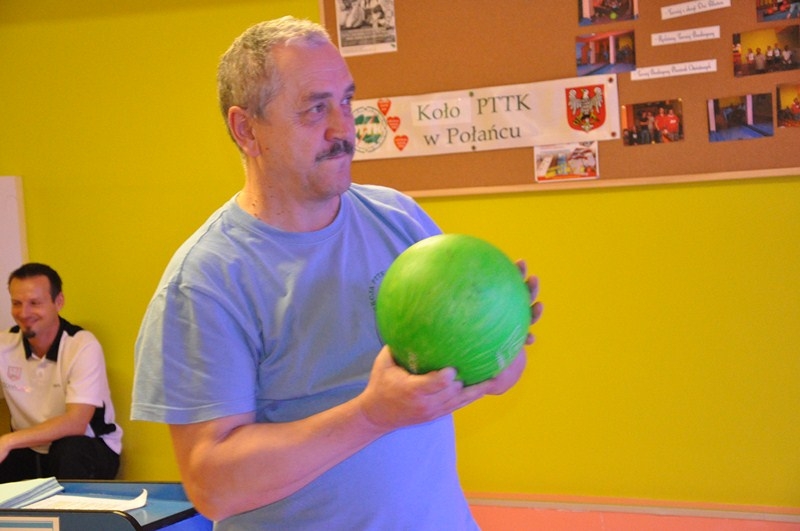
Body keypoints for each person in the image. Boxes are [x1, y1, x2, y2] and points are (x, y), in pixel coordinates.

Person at [132, 16, 542, 530]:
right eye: (315, 109)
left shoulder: (398, 218)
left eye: (346, 101)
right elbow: (213, 486)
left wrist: (496, 337)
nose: (343, 129)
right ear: (247, 130)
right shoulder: (206, 281)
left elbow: (497, 377)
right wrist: (371, 414)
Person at [0, 263, 122, 482]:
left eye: (34, 303)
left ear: (59, 302)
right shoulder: (5, 344)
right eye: (17, 303)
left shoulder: (82, 345)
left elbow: (77, 422)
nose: (24, 313)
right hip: (29, 449)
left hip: (87, 445)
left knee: (69, 451)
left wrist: (9, 441)